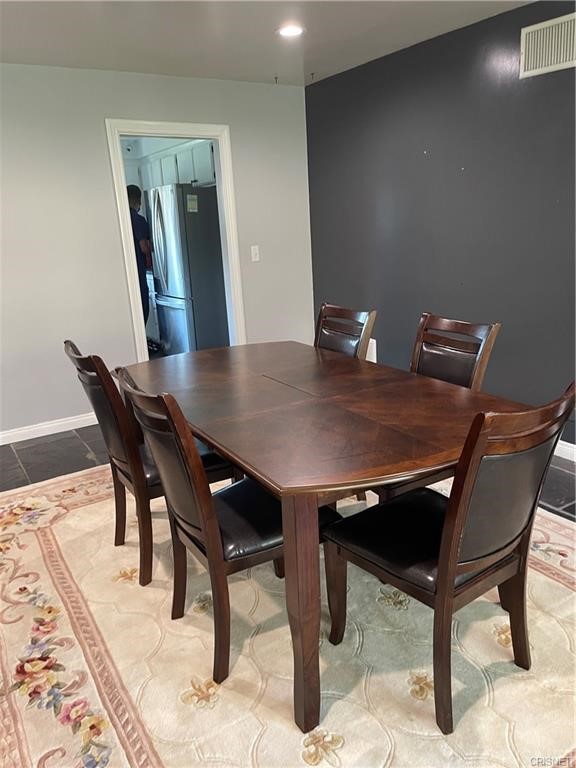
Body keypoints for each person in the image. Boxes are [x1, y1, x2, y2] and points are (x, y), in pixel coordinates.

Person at [127, 185, 152, 325]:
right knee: (142, 315)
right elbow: (144, 248)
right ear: (137, 201)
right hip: (138, 274)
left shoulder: (121, 218)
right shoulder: (137, 220)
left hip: (127, 277)